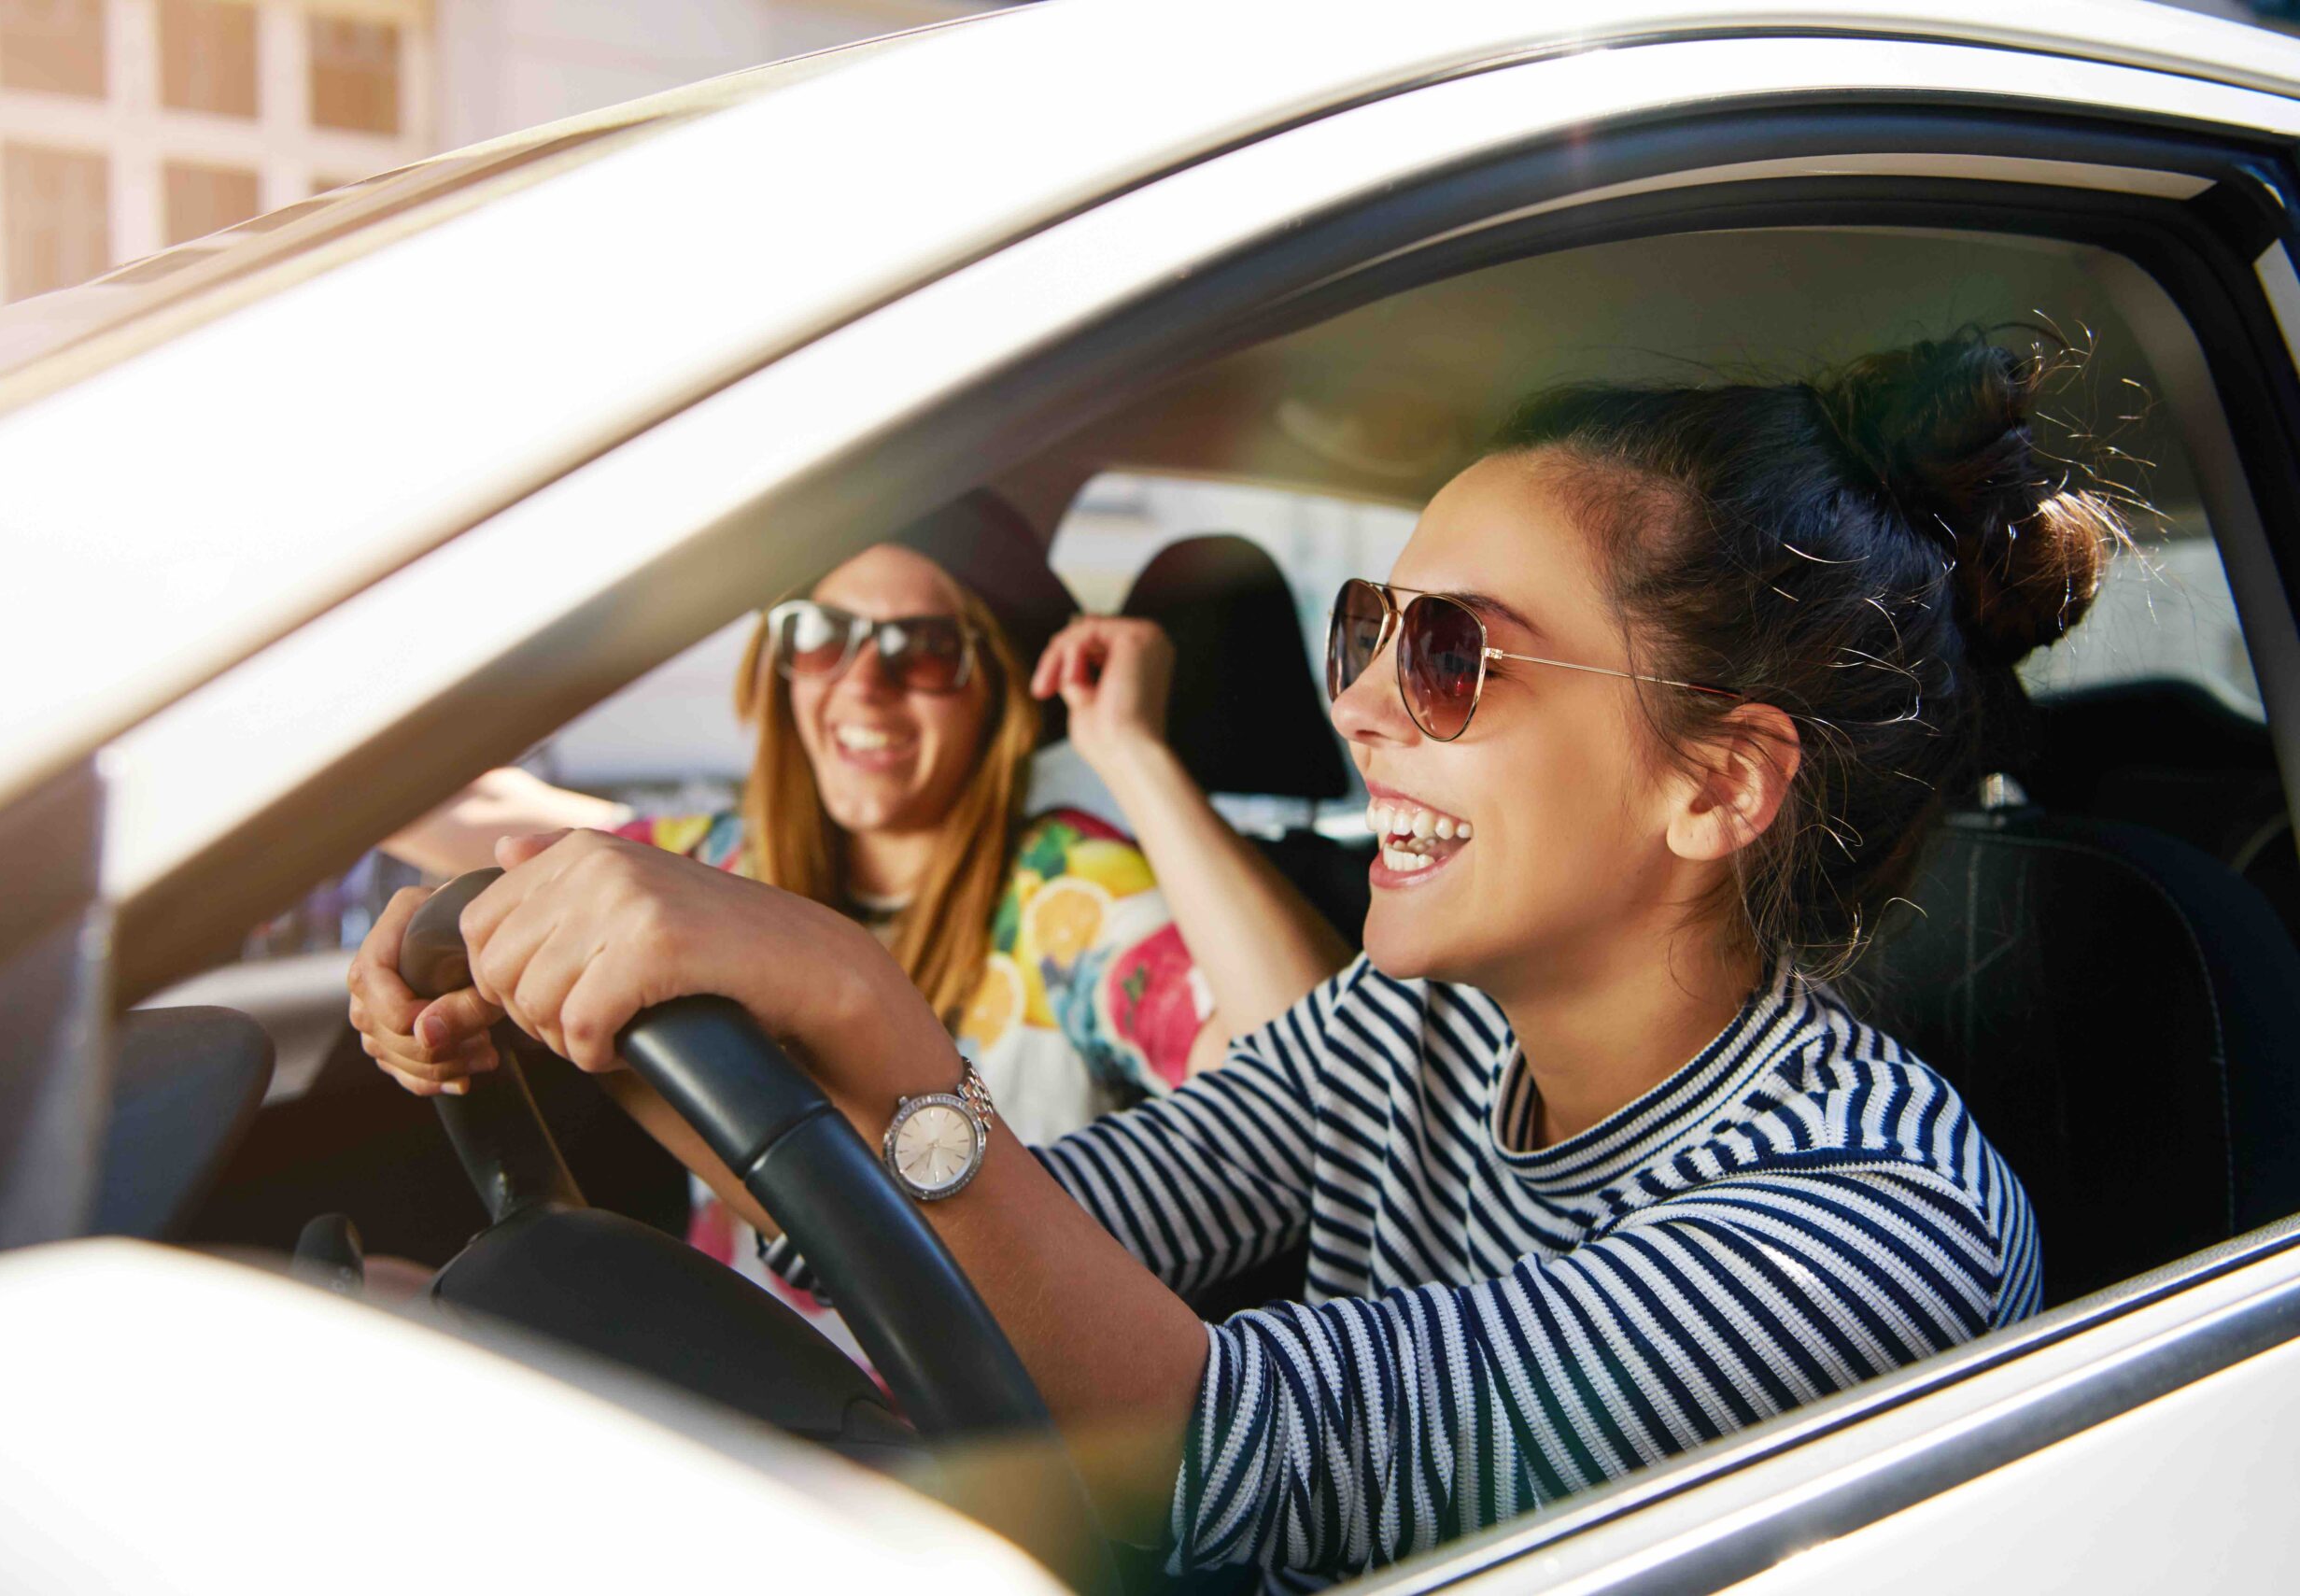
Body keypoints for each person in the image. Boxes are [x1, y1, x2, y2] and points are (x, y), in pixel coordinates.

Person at [352, 334, 2105, 1589]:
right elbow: (999, 1228)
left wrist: (863, 1005)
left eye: (1448, 655)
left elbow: (1244, 1467)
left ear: (1714, 780)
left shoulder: (1876, 1212)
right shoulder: (1406, 1027)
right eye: (1368, 631)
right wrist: (583, 1000)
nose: (1354, 702)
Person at [367, 492, 1352, 1343]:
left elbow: (1326, 1077)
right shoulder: (713, 867)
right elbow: (473, 828)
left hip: (968, 1417)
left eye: (924, 651)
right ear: (781, 666)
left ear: (997, 693)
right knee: (380, 1302)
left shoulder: (1067, 890)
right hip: (743, 1369)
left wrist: (1131, 751)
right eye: (820, 635)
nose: (863, 682)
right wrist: (419, 955)